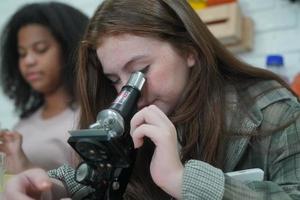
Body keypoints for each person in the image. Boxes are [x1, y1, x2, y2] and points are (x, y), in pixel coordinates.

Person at [4, 0, 300, 199]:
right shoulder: (135, 112)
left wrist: (183, 180)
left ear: (189, 50)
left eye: (140, 71)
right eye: (114, 79)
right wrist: (48, 186)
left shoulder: (274, 111)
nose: (128, 93)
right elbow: (93, 172)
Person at [0, 2, 88, 173]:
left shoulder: (88, 116)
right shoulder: (23, 124)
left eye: (40, 49)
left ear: (70, 49)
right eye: (22, 54)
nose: (28, 61)